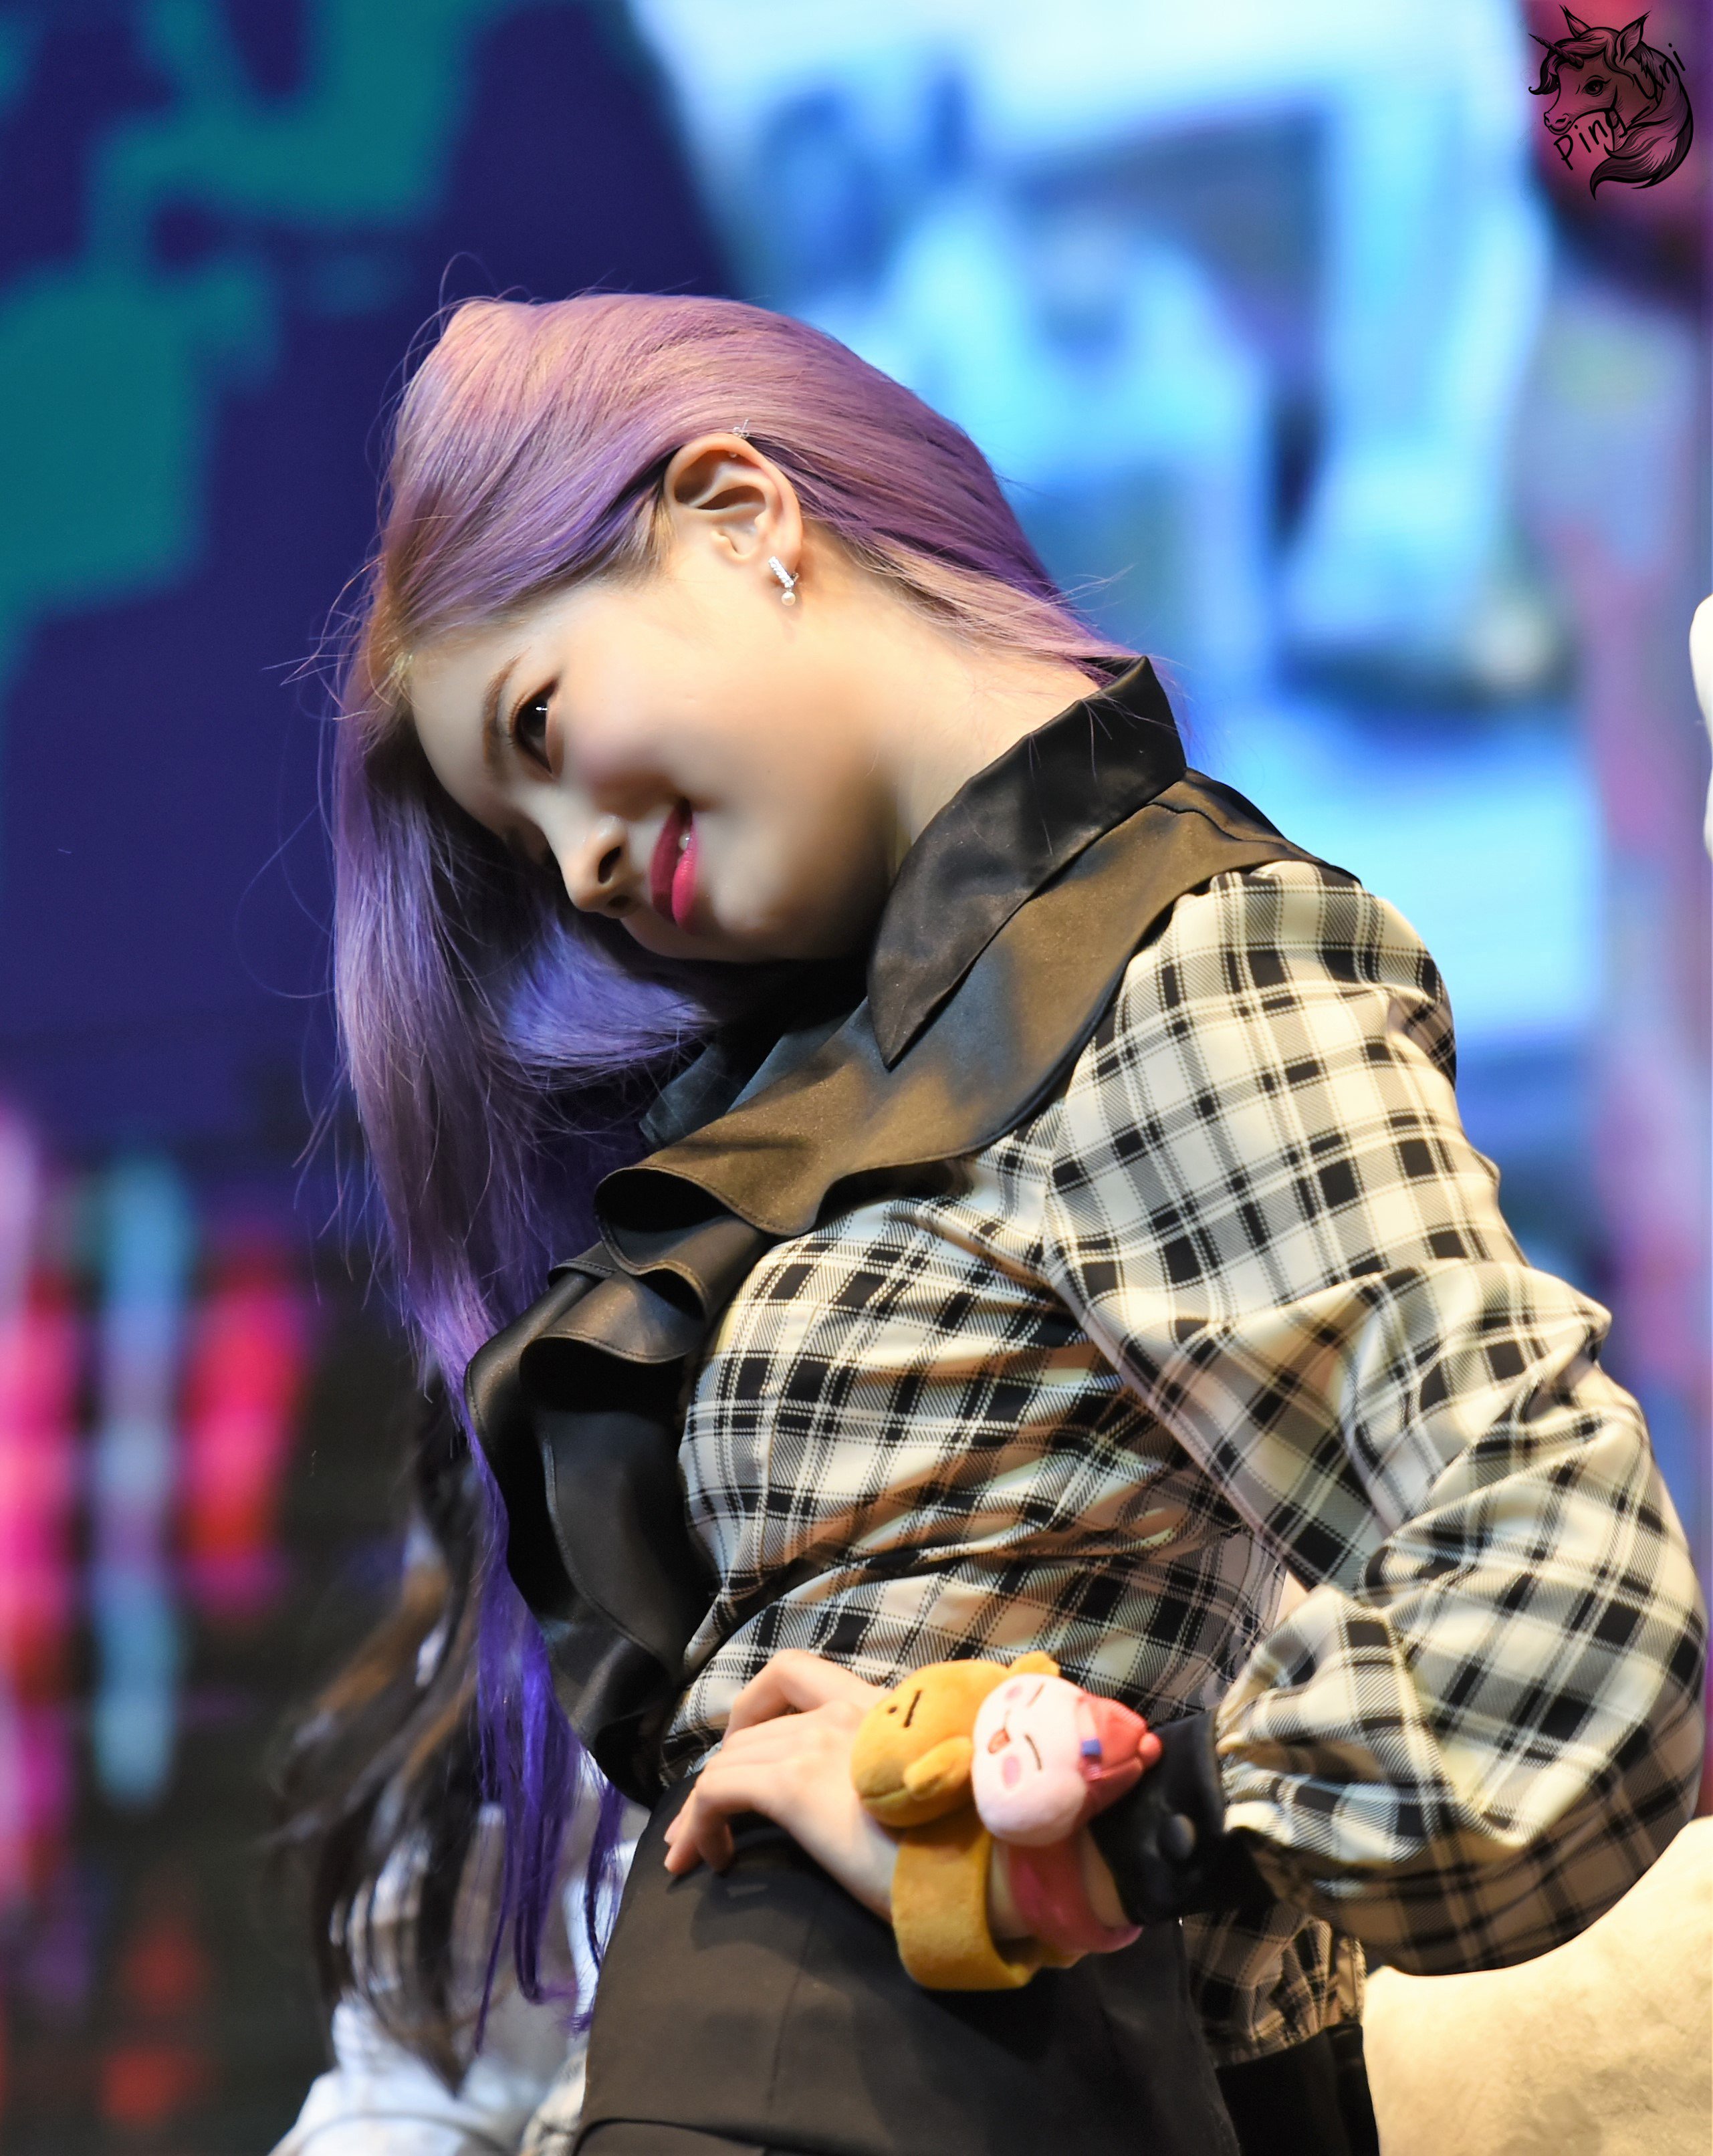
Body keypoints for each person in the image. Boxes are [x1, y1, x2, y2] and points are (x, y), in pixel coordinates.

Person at [277, 293, 1706, 2156]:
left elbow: (1569, 1603)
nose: (583, 865)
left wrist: (1071, 1833)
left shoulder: (1179, 969)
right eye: (528, 841)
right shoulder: (866, 1072)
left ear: (737, 513)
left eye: (540, 725)